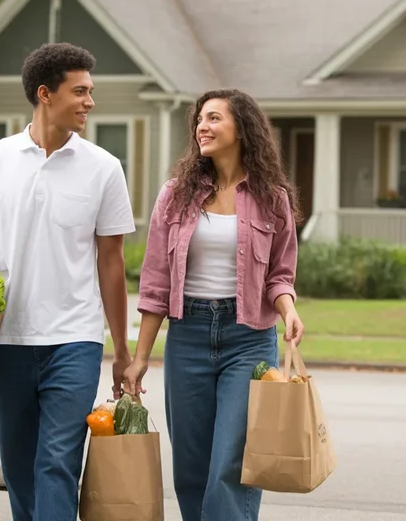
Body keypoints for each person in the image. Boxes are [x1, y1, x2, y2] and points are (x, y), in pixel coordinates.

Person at [0, 42, 136, 521]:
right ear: (45, 94)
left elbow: (111, 262)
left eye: (91, 91)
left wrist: (122, 349)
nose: (90, 102)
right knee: (19, 463)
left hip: (74, 338)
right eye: (81, 91)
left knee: (57, 461)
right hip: (7, 337)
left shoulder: (104, 168)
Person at [124, 88, 306, 521]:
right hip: (187, 336)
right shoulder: (176, 195)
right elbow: (155, 283)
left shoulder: (272, 197)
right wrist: (139, 358)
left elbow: (280, 275)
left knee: (232, 460)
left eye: (213, 118)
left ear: (241, 128)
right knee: (191, 466)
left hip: (248, 339)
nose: (202, 127)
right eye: (200, 120)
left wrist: (289, 310)